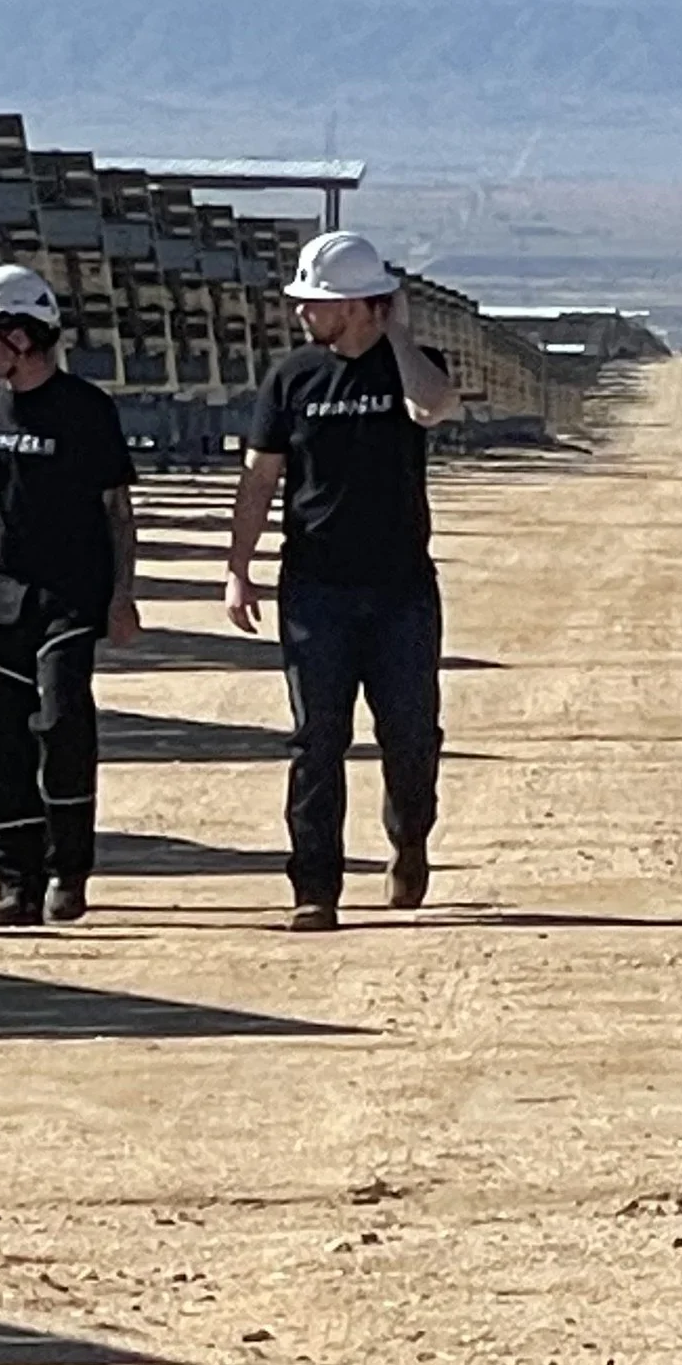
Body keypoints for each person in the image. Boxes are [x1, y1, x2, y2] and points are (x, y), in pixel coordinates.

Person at [222, 228, 458, 933]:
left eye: (318, 303)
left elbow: (433, 408)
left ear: (362, 306)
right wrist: (238, 568)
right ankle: (314, 885)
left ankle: (408, 836)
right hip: (314, 589)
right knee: (315, 739)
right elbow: (260, 477)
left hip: (400, 590)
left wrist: (403, 337)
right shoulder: (291, 378)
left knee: (410, 736)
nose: (303, 314)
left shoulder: (413, 368)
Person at [0, 262, 140, 929]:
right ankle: (16, 881)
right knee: (2, 742)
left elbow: (117, 512)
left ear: (19, 335)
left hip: (70, 598)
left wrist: (122, 594)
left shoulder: (87, 410)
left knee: (64, 722)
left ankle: (70, 868)